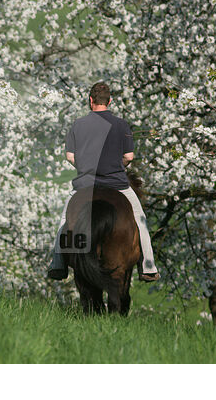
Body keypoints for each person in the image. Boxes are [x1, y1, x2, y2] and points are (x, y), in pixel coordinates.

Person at [47, 81, 160, 282]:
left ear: (91, 101)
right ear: (110, 101)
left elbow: (70, 156)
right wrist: (118, 165)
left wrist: (86, 167)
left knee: (64, 221)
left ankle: (58, 264)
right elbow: (129, 156)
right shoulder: (121, 124)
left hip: (85, 185)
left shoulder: (78, 124)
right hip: (117, 184)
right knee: (140, 219)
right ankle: (148, 266)